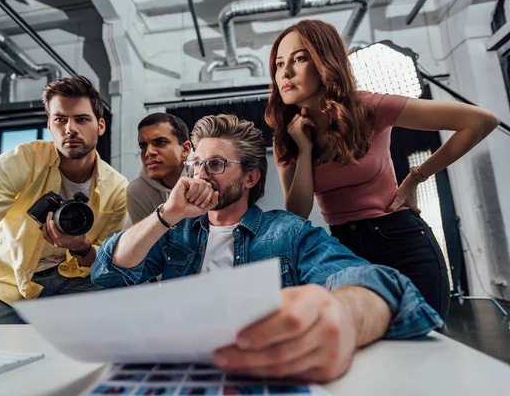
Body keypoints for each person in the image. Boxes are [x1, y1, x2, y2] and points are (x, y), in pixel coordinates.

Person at [91, 114, 443, 382]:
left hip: (259, 370)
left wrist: (344, 313)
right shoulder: (175, 232)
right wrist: (167, 214)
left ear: (250, 177)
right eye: (196, 164)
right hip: (181, 370)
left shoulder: (286, 232)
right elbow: (109, 271)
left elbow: (368, 279)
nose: (200, 175)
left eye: (214, 165)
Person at [265, 20, 501, 319]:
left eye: (299, 59)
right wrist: (304, 148)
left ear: (325, 61)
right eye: (279, 63)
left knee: (425, 348)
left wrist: (415, 178)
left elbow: (481, 121)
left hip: (402, 243)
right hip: (344, 252)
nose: (285, 72)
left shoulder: (368, 108)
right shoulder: (286, 136)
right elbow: (297, 212)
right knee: (370, 356)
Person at [0, 75, 128, 324]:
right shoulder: (22, 160)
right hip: (7, 279)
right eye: (60, 119)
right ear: (50, 126)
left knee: (119, 311)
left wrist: (80, 247)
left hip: (73, 280)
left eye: (81, 119)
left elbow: (104, 261)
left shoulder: (118, 188)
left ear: (100, 126)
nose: (70, 128)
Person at [127, 113, 192, 223]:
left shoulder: (207, 174)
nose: (148, 152)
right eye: (143, 146)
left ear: (185, 149)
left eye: (160, 142)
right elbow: (146, 239)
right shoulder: (137, 192)